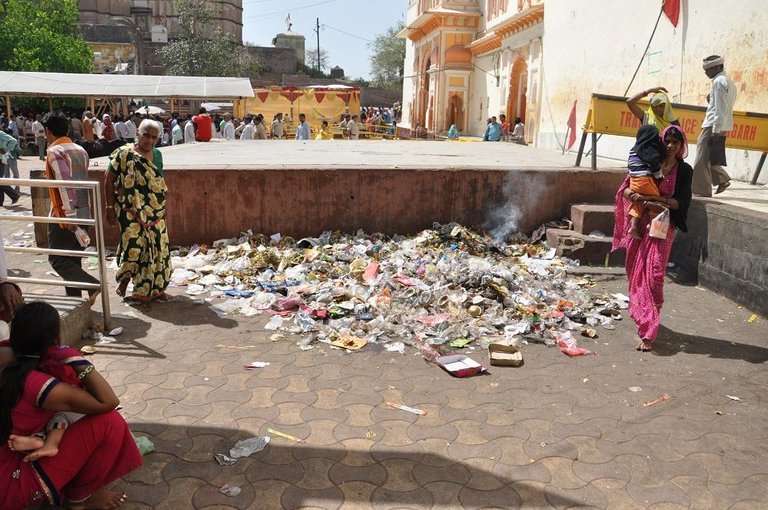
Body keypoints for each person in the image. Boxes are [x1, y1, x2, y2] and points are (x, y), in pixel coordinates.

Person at [0, 301, 142, 509]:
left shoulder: (5, 357)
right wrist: (76, 360)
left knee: (65, 418)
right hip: (11, 484)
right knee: (110, 422)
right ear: (56, 339)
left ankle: (48, 447)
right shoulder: (38, 384)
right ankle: (80, 498)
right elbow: (108, 401)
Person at [612, 125, 692, 352]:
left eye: (675, 143)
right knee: (634, 269)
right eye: (667, 141)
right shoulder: (650, 160)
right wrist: (643, 200)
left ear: (681, 147)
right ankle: (643, 315)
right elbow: (626, 189)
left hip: (663, 224)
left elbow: (683, 202)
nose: (670, 146)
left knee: (655, 273)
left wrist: (661, 202)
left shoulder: (685, 171)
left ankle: (649, 332)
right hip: (642, 221)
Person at [104, 120, 171, 302]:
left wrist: (163, 209)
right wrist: (109, 207)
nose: (149, 140)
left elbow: (158, 184)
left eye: (154, 137)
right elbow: (109, 180)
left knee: (158, 246)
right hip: (129, 210)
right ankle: (125, 279)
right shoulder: (124, 153)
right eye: (146, 135)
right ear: (138, 134)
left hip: (155, 211)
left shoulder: (157, 155)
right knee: (134, 245)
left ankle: (155, 289)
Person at [41, 111, 101, 304]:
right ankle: (75, 303)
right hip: (85, 211)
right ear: (67, 128)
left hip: (66, 215)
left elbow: (65, 185)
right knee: (73, 261)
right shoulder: (80, 150)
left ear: (47, 131)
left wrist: (70, 220)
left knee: (58, 260)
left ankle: (91, 285)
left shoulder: (54, 152)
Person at [692, 55, 737, 197]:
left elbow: (720, 108)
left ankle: (701, 191)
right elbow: (721, 104)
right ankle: (722, 179)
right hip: (720, 124)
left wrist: (716, 130)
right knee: (708, 156)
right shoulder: (728, 82)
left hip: (713, 125)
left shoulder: (719, 82)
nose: (706, 73)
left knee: (700, 159)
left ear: (717, 67)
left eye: (708, 69)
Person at [626, 125, 668, 239]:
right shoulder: (648, 150)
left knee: (637, 202)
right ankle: (651, 224)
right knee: (656, 199)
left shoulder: (633, 150)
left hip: (634, 182)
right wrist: (659, 176)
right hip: (645, 180)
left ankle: (633, 227)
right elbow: (654, 165)